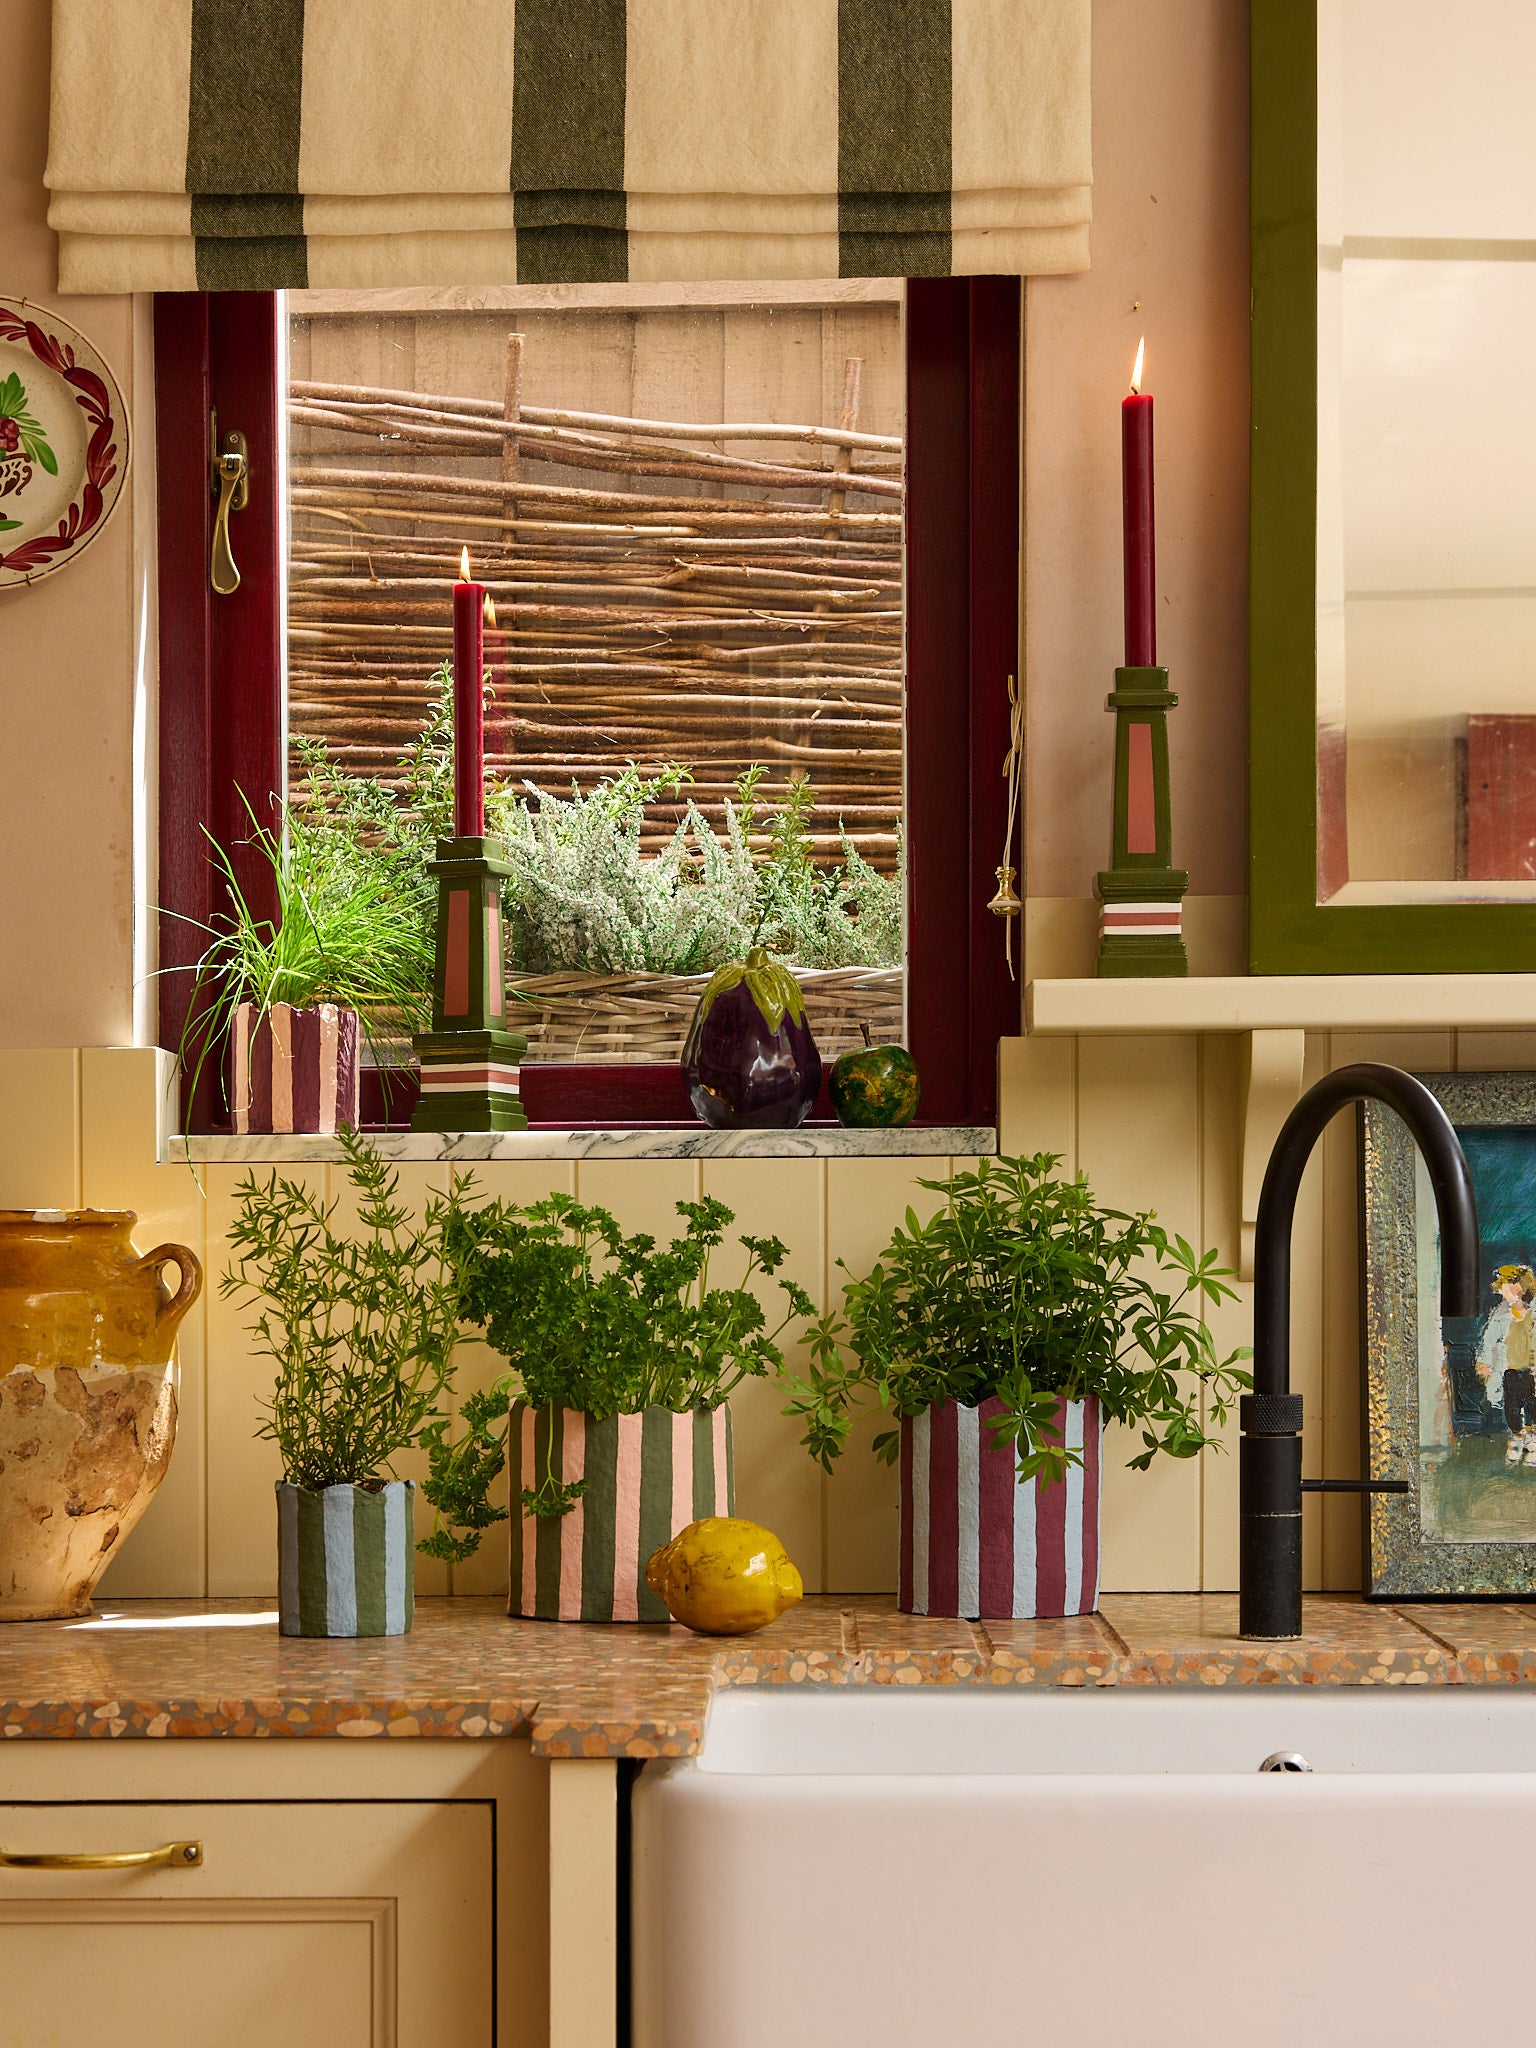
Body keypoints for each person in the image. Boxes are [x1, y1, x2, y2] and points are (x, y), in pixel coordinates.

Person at [1477, 1266, 1536, 1463]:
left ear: (1519, 1287)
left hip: (1531, 1369)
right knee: (1511, 1406)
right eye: (1501, 1288)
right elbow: (1489, 1339)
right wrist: (1484, 1361)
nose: (1502, 1292)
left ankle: (1533, 1440)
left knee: (1532, 1406)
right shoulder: (1501, 1313)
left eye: (1505, 1287)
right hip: (1509, 1369)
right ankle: (1518, 1437)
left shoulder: (1533, 1312)